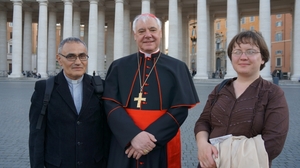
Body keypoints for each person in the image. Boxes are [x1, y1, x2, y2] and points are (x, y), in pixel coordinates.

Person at [102, 13, 199, 168]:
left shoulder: (178, 67)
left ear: (160, 33)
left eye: (152, 30)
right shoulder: (118, 66)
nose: (148, 35)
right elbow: (110, 104)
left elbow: (180, 110)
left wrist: (148, 140)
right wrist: (132, 136)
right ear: (135, 35)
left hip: (162, 143)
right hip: (125, 144)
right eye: (141, 31)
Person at [194, 30, 289, 168]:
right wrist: (202, 145)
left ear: (263, 58)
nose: (243, 57)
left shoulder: (273, 93)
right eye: (237, 52)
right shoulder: (220, 88)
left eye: (251, 51)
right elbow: (203, 122)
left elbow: (274, 143)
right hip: (208, 164)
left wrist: (221, 157)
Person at [29, 37, 110, 168]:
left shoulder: (100, 87)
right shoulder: (43, 89)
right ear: (59, 59)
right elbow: (36, 135)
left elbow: (107, 133)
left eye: (82, 56)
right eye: (71, 56)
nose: (78, 62)